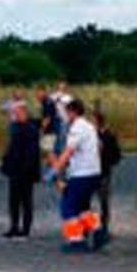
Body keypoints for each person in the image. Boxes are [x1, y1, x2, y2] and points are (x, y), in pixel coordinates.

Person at [49, 98, 104, 249]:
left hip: (82, 174)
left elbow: (69, 151)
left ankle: (76, 240)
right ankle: (97, 229)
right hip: (94, 172)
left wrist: (55, 170)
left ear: (72, 112)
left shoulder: (77, 128)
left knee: (68, 206)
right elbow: (99, 147)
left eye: (67, 112)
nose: (66, 116)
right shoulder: (89, 126)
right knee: (83, 206)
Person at [0, 102, 41, 238]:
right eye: (14, 113)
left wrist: (28, 169)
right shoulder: (15, 128)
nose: (15, 115)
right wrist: (6, 163)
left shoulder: (31, 129)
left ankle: (25, 229)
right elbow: (11, 148)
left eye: (17, 113)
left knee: (26, 200)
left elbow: (32, 152)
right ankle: (14, 226)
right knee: (14, 200)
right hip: (14, 170)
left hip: (26, 171)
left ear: (24, 112)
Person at [94, 112, 122, 232]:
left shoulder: (109, 136)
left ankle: (104, 223)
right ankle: (88, 223)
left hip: (104, 171)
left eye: (93, 123)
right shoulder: (91, 135)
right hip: (91, 171)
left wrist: (108, 161)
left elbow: (116, 154)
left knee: (103, 199)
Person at [49, 81, 73, 153]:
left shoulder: (69, 98)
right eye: (60, 87)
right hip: (54, 121)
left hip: (64, 121)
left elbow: (70, 108)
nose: (61, 89)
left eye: (63, 87)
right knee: (54, 139)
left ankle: (62, 155)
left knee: (63, 138)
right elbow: (50, 102)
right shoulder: (53, 96)